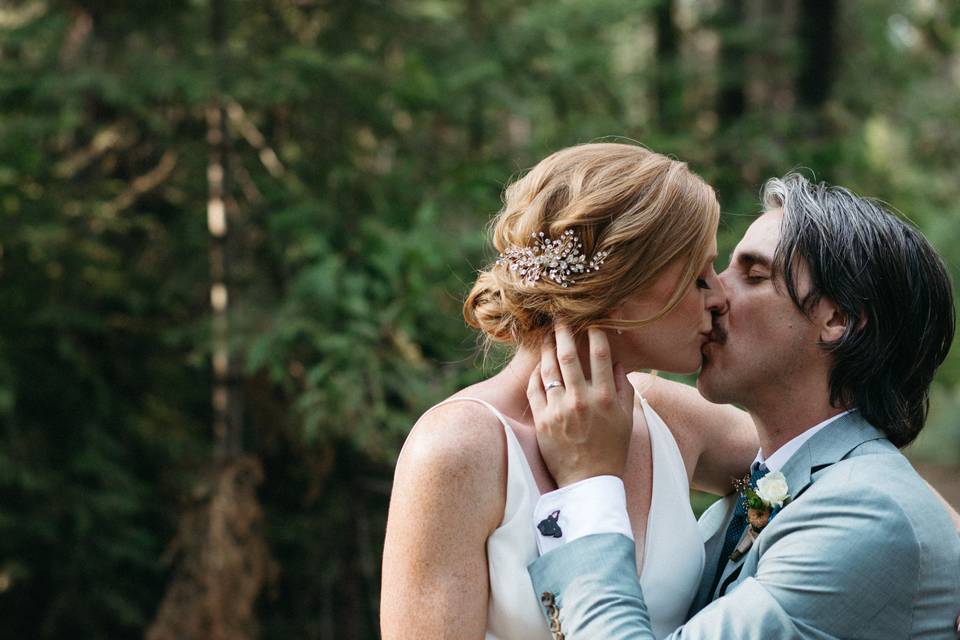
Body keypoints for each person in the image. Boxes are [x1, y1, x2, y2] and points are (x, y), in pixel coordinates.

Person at [525, 174, 960, 638]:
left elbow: (891, 508)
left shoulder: (868, 512)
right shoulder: (794, 468)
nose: (714, 296)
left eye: (753, 275)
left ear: (837, 320)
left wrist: (587, 487)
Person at [380, 143, 764, 639]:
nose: (720, 297)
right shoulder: (458, 449)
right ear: (620, 288)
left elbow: (818, 456)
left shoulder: (668, 414)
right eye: (698, 277)